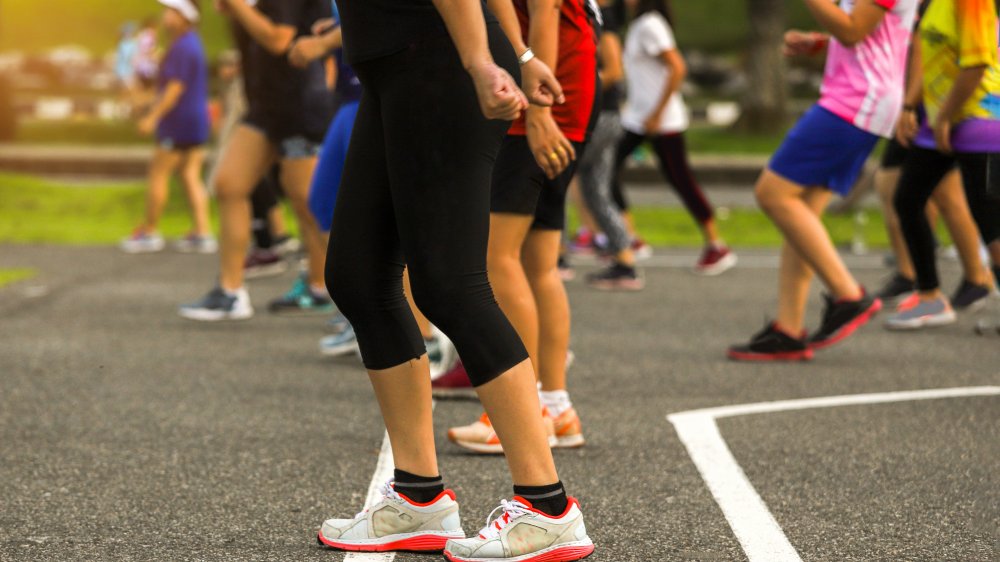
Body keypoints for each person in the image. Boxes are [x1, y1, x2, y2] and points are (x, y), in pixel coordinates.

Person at [316, 0, 594, 559]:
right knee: (359, 277)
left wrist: (480, 61)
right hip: (395, 70)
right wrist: (521, 53)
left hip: (441, 63)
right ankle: (419, 499)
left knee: (450, 283)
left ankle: (547, 507)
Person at [728, 0, 919, 361]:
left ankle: (848, 295)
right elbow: (874, 33)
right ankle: (788, 329)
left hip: (857, 100)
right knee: (801, 215)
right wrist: (820, 42)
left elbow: (853, 29)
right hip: (858, 97)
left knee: (772, 194)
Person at [447, 0, 599, 454]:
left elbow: (545, 9)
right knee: (539, 264)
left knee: (498, 258)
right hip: (565, 95)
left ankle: (519, 411)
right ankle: (555, 407)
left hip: (541, 104)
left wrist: (536, 110)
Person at [179, 0, 334, 321]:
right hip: (265, 107)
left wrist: (237, 6)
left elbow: (279, 38)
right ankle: (231, 292)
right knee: (229, 183)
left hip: (299, 107)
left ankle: (342, 294)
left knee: (309, 202)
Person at [885, 0, 1000, 330]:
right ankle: (930, 297)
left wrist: (945, 117)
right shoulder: (934, 3)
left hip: (982, 120)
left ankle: (965, 285)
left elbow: (976, 65)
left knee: (991, 226)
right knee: (908, 199)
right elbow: (935, 60)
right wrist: (910, 105)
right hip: (943, 121)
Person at [608, 0, 736, 276]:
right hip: (638, 118)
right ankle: (630, 238)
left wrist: (657, 113)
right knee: (607, 171)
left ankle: (716, 245)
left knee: (681, 180)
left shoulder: (651, 24)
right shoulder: (639, 24)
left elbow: (677, 68)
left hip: (661, 121)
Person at [120, 0, 215, 255]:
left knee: (158, 172)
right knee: (189, 175)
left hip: (178, 122)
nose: (166, 15)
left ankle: (149, 231)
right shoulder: (192, 42)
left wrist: (152, 117)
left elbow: (174, 89)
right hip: (195, 121)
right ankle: (202, 232)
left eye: (172, 10)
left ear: (185, 16)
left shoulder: (182, 47)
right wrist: (144, 100)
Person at [573, 0, 647, 291]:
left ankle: (557, 257)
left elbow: (614, 70)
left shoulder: (605, 21)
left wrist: (577, 87)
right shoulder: (593, 17)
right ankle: (624, 261)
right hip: (605, 116)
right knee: (597, 193)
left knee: (557, 180)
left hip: (601, 117)